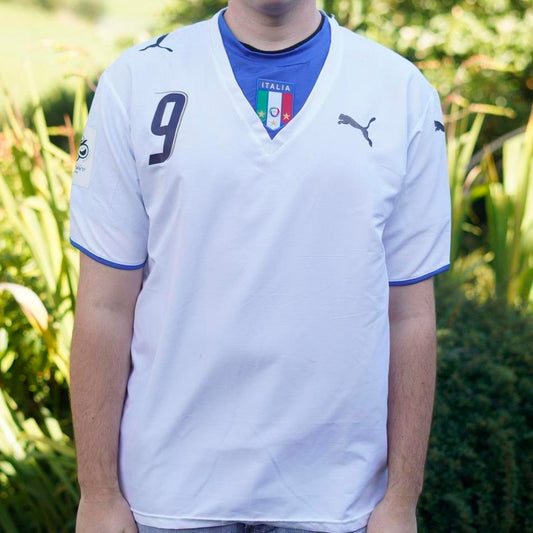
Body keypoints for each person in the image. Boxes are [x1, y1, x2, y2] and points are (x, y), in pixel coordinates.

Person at [68, 1, 451, 532]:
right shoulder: (137, 81)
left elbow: (410, 316)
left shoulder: (401, 92)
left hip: (338, 506)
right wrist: (98, 494)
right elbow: (104, 307)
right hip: (168, 501)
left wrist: (403, 498)